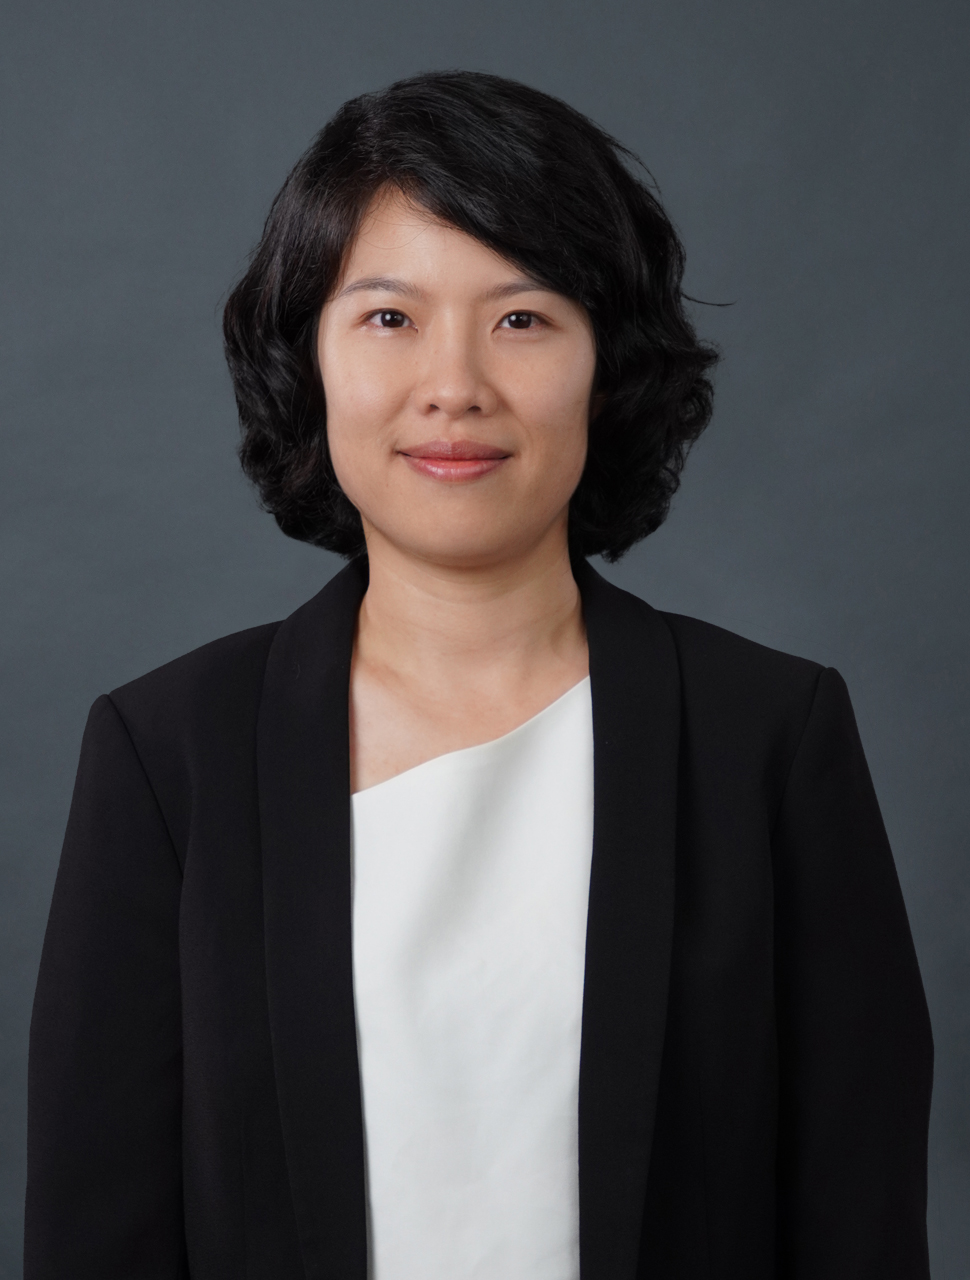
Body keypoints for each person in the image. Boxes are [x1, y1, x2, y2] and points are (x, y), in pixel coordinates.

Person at [25, 71, 933, 1279]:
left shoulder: (769, 737)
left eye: (521, 319)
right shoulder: (166, 755)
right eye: (388, 318)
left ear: (606, 364)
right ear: (309, 358)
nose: (453, 385)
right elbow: (94, 1236)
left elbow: (858, 1222)